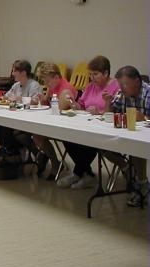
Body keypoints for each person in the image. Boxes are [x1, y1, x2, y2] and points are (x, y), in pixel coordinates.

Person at [57, 56, 120, 190]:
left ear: (106, 73)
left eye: (95, 74)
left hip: (105, 128)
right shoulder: (91, 86)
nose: (92, 77)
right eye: (90, 74)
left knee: (88, 141)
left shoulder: (115, 86)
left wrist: (99, 113)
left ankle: (79, 173)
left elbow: (116, 112)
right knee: (66, 136)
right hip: (87, 123)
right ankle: (84, 173)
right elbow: (82, 104)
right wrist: (74, 105)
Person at [105, 65, 150, 208]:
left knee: (136, 147)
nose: (122, 88)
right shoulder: (121, 93)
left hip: (143, 138)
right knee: (102, 143)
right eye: (120, 84)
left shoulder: (148, 93)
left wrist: (144, 118)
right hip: (127, 134)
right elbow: (110, 114)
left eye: (125, 84)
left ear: (137, 81)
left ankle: (141, 184)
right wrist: (108, 102)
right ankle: (128, 170)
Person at [32, 62, 77, 180]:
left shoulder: (66, 90)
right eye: (44, 81)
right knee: (36, 135)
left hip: (67, 125)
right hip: (54, 121)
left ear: (56, 77)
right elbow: (47, 102)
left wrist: (46, 103)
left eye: (47, 81)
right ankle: (54, 162)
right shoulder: (53, 86)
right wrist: (41, 99)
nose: (46, 84)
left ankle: (55, 164)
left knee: (37, 134)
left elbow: (59, 110)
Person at [0, 60, 42, 157]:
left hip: (29, 118)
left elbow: (35, 102)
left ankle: (12, 150)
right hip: (15, 116)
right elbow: (6, 97)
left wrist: (20, 99)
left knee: (7, 127)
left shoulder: (34, 85)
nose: (12, 73)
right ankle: (8, 149)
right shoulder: (16, 85)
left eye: (14, 71)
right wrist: (2, 98)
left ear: (23, 73)